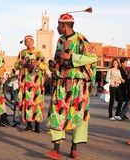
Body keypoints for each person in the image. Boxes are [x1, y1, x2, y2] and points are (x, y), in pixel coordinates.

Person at [46, 13, 98, 159]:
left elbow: (93, 57)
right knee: (57, 113)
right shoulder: (60, 40)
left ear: (64, 25)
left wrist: (72, 57)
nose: (57, 28)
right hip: (62, 83)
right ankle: (56, 149)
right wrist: (54, 66)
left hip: (78, 84)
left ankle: (74, 148)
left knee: (78, 115)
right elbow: (58, 57)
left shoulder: (81, 39)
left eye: (58, 25)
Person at [14, 35, 48, 133]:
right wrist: (21, 62)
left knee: (37, 103)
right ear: (25, 43)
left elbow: (46, 66)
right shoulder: (22, 53)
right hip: (25, 83)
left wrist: (38, 64)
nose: (29, 43)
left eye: (30, 41)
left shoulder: (39, 53)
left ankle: (37, 126)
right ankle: (28, 125)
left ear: (33, 42)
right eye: (27, 42)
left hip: (36, 84)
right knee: (27, 103)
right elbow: (16, 66)